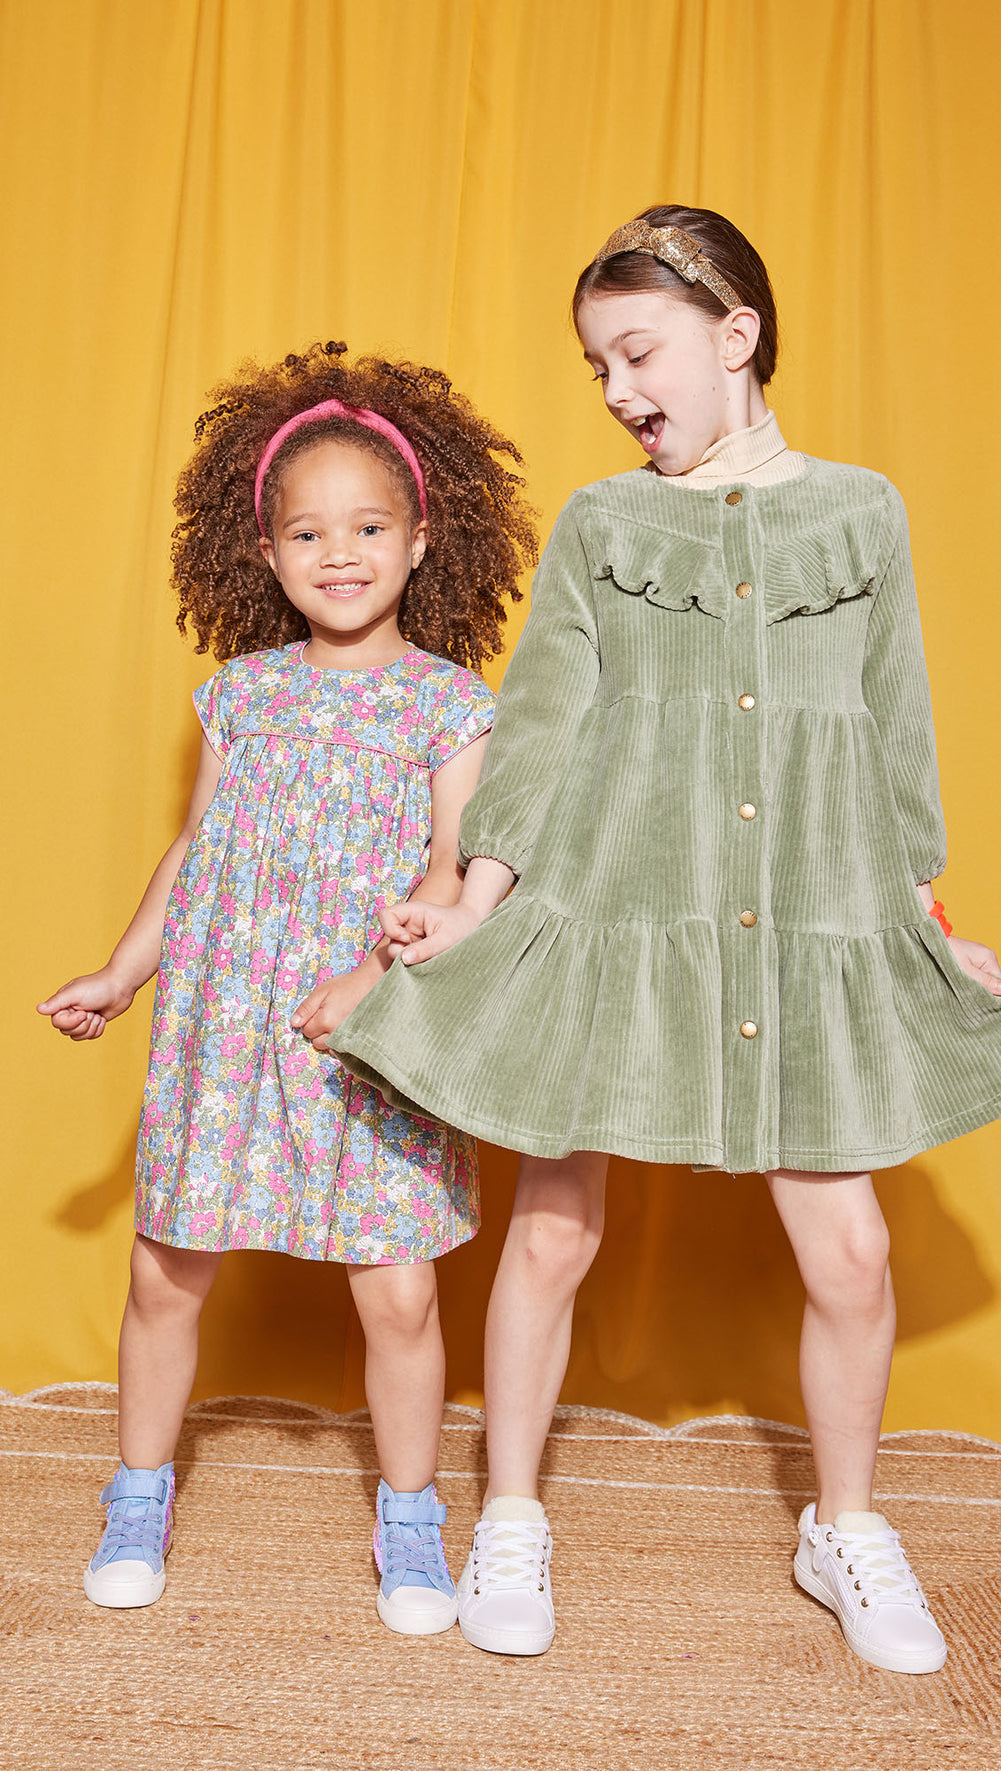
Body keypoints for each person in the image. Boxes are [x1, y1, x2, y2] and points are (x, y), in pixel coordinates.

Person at [327, 209, 1001, 1674]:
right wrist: (475, 894)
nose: (615, 388)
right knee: (553, 1227)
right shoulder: (606, 527)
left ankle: (843, 1526)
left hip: (805, 913)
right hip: (618, 909)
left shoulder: (864, 513)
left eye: (638, 351)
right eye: (597, 362)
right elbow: (545, 722)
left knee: (849, 1249)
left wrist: (927, 917)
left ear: (736, 336)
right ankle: (513, 1511)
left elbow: (894, 726)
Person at [37, 341, 537, 1633]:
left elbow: (453, 867)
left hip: (368, 1032)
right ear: (263, 555)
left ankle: (412, 1519)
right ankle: (139, 1492)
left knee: (400, 1289)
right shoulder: (240, 697)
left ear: (423, 540)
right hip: (226, 1016)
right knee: (165, 1271)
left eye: (369, 526)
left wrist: (366, 976)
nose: (341, 552)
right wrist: (123, 970)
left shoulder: (448, 706)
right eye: (308, 532)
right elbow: (195, 852)